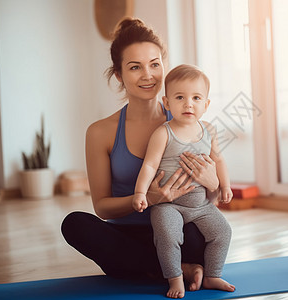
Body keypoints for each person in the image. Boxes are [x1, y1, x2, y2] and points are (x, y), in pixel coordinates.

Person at [61, 18, 222, 290]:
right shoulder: (100, 132)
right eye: (135, 67)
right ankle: (172, 268)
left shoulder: (190, 122)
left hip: (179, 229)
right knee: (75, 224)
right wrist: (149, 198)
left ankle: (152, 268)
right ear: (120, 75)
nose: (148, 75)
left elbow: (210, 200)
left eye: (155, 64)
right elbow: (101, 207)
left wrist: (213, 182)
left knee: (203, 231)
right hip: (127, 236)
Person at [132, 64, 235, 298]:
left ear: (206, 105)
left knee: (223, 232)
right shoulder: (163, 132)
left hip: (201, 206)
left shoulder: (209, 129)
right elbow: (148, 165)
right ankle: (175, 278)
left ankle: (212, 275)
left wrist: (225, 185)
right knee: (167, 235)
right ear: (167, 103)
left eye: (196, 98)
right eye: (180, 97)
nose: (188, 104)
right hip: (168, 206)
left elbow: (218, 160)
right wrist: (140, 194)